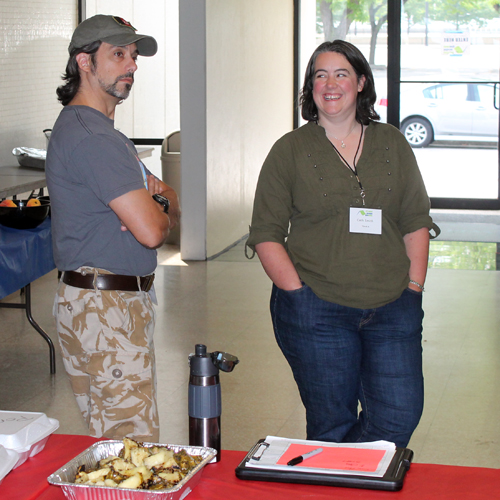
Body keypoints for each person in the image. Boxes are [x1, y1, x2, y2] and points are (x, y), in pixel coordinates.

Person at [246, 40, 439, 448]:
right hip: (318, 308)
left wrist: (414, 289)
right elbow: (266, 232)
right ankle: (342, 476)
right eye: (320, 75)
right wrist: (296, 294)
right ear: (310, 87)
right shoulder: (290, 150)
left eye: (341, 74)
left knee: (399, 413)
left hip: (392, 306)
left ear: (361, 83)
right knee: (331, 421)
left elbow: (415, 221)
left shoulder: (392, 143)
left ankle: (346, 467)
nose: (330, 84)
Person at [46, 14, 180, 441]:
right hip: (108, 313)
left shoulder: (96, 131)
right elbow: (153, 231)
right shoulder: (95, 138)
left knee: (112, 441)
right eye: (118, 54)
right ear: (85, 62)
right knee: (131, 446)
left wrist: (157, 205)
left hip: (99, 305)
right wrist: (160, 208)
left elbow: (160, 200)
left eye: (134, 56)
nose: (132, 66)